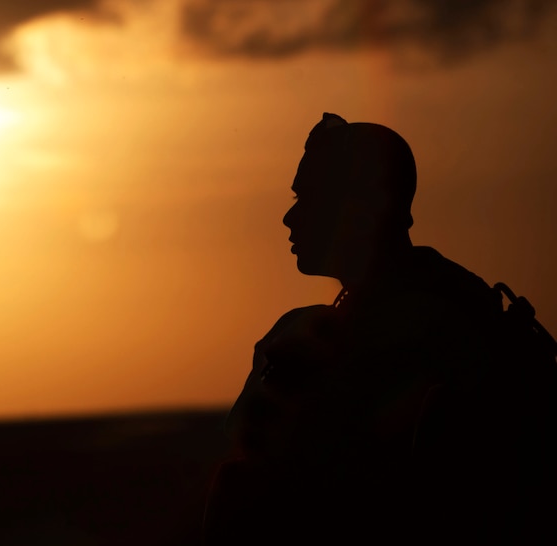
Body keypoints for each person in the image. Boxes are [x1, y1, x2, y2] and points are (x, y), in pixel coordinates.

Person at [203, 113, 555, 544]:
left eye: (309, 198)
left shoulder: (408, 333)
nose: (289, 218)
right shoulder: (467, 310)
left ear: (360, 206)